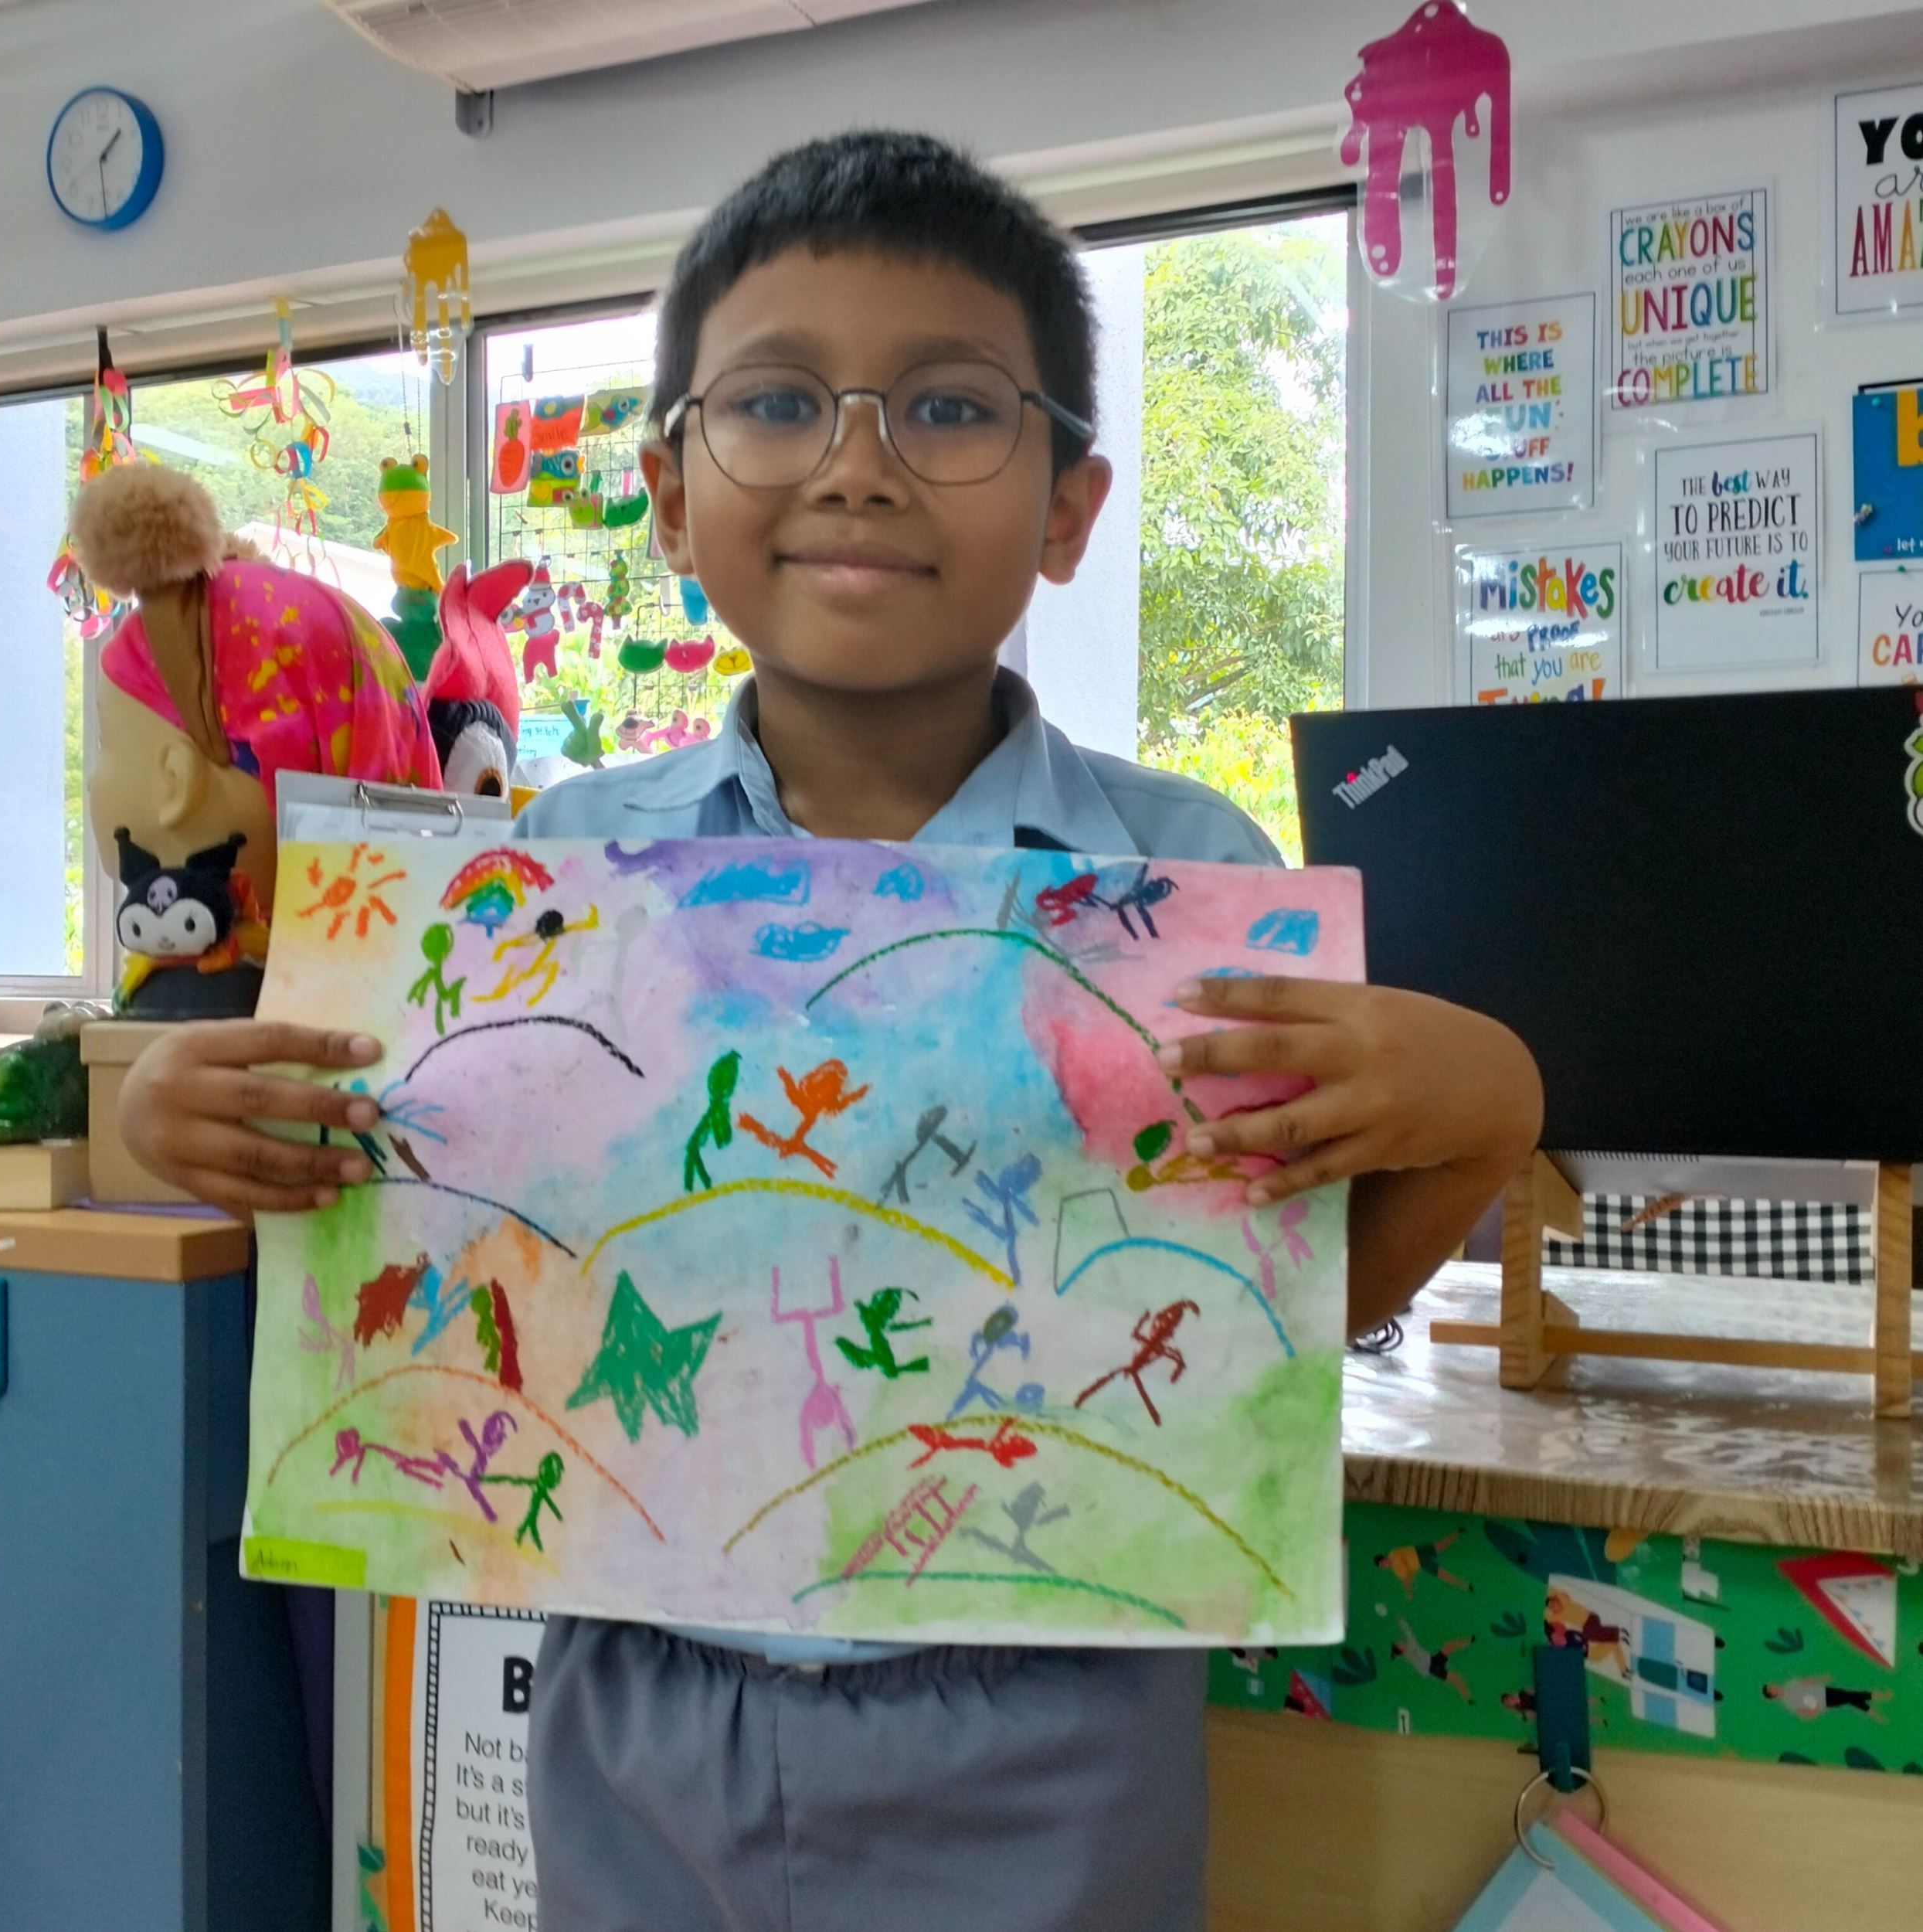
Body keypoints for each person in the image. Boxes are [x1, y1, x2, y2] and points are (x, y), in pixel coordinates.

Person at [117, 131, 1543, 1932]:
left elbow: (1256, 1321)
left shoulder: (1185, 880)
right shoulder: (553, 875)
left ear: (1068, 506)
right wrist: (178, 1116)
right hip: (639, 1705)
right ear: (666, 488)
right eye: (778, 403)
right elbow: (425, 1222)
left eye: (946, 409)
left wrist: (1489, 1106)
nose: (856, 466)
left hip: (1051, 1712)